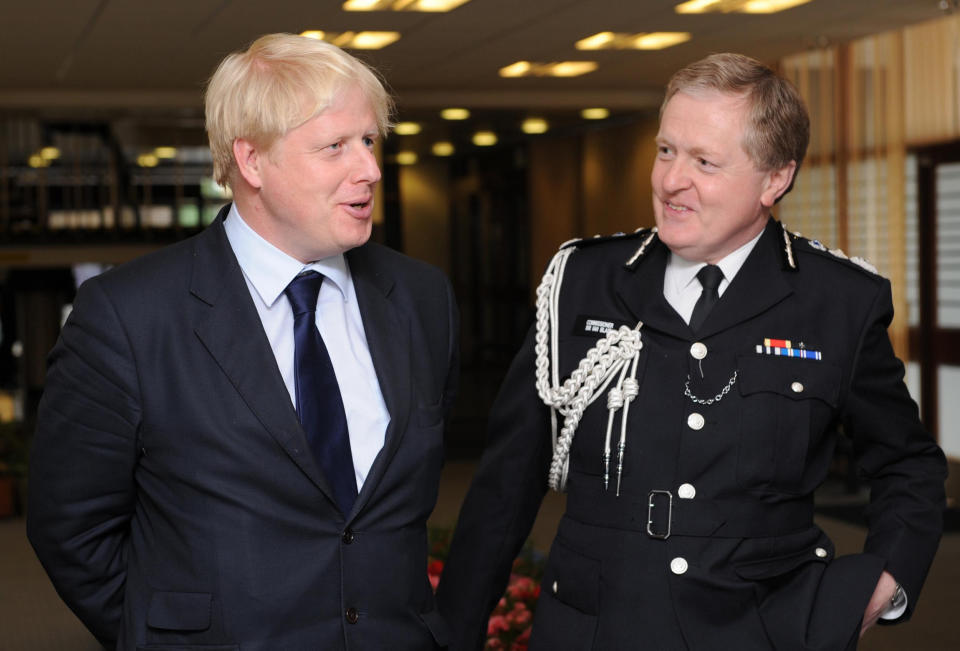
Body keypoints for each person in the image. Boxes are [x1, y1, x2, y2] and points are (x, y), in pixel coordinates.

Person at [437, 53, 946, 651]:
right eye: (666, 150)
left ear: (774, 179)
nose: (671, 180)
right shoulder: (582, 280)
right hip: (596, 628)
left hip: (763, 630)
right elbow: (508, 482)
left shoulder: (837, 301)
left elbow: (907, 464)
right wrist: (451, 634)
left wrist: (886, 581)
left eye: (704, 161)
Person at [28, 33, 458, 650]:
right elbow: (71, 529)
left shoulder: (421, 298)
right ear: (251, 161)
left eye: (369, 141)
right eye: (334, 146)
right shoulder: (128, 315)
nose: (369, 168)